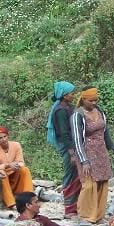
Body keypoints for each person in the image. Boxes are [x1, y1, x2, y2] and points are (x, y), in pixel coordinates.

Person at [71, 86, 114, 223]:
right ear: (83, 99)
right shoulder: (78, 115)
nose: (94, 103)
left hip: (101, 151)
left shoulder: (100, 111)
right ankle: (85, 215)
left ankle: (98, 215)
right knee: (89, 184)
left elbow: (106, 133)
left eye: (96, 100)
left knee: (102, 182)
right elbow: (77, 140)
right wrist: (84, 161)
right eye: (91, 100)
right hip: (87, 152)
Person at [46, 81, 81, 218]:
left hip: (73, 145)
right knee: (70, 175)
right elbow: (64, 133)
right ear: (64, 95)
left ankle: (77, 205)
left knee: (77, 175)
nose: (73, 95)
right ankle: (69, 208)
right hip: (68, 147)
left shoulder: (68, 107)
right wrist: (72, 153)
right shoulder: (60, 111)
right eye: (71, 93)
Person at [0, 127, 34, 209]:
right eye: (0, 138)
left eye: (5, 136)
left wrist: (16, 166)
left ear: (8, 136)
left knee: (25, 170)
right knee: (2, 173)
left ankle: (29, 198)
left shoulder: (16, 145)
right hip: (3, 174)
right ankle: (11, 203)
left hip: (15, 171)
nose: (3, 139)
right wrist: (8, 165)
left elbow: (21, 162)